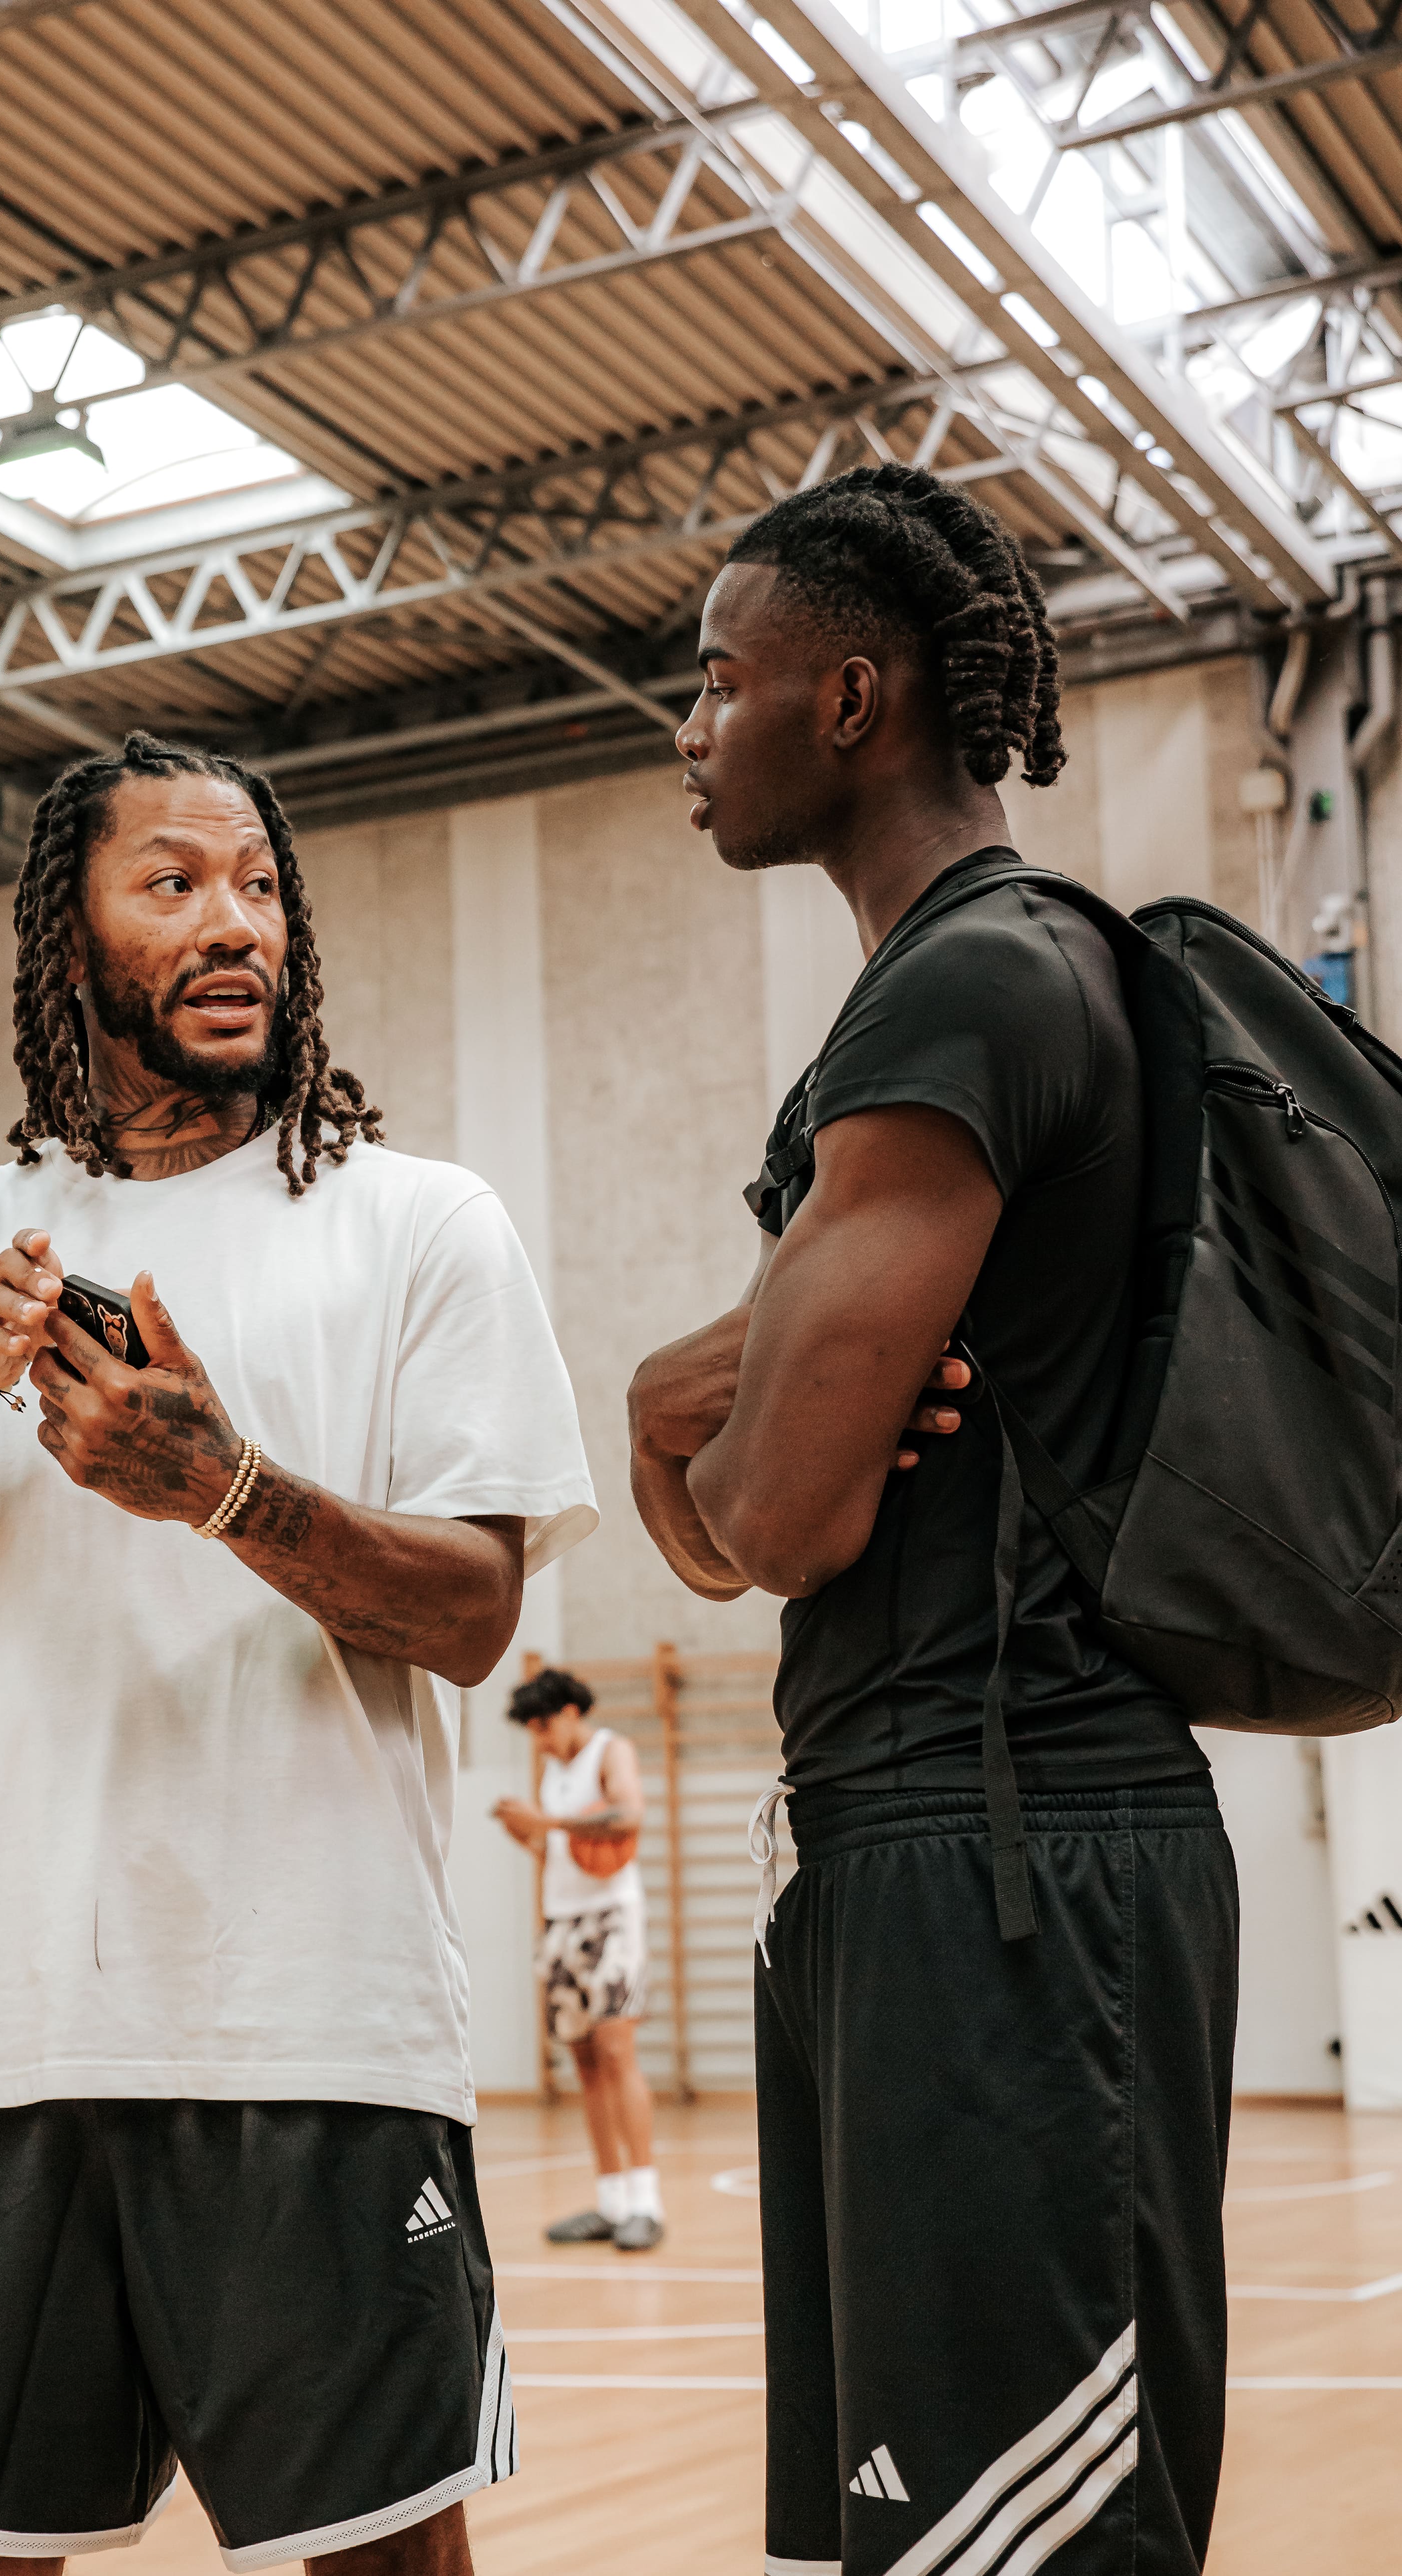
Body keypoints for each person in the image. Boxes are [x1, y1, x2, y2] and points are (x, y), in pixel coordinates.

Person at [0, 731, 597, 2576]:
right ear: (68, 942)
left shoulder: (418, 1225)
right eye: (173, 884)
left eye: (259, 886)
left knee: (385, 2558)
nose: (238, 924)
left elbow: (473, 1615)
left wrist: (224, 1488)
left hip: (314, 2033)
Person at [627, 466, 1237, 2576]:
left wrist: (690, 1435)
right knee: (897, 2542)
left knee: (1018, 2547)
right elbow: (726, 1507)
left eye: (717, 680)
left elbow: (773, 1513)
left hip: (1003, 1846)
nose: (687, 726)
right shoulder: (929, 1003)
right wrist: (669, 1422)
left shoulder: (972, 983)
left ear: (850, 698)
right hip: (889, 1834)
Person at [492, 1668, 663, 2252]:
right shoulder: (552, 1772)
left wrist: (549, 1822)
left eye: (543, 1726)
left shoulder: (611, 1750)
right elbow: (558, 1849)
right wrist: (526, 1835)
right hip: (561, 1920)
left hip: (612, 1917)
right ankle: (611, 2203)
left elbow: (628, 1816)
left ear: (569, 1712)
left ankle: (646, 2203)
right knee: (585, 2063)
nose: (538, 1740)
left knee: (616, 2051)